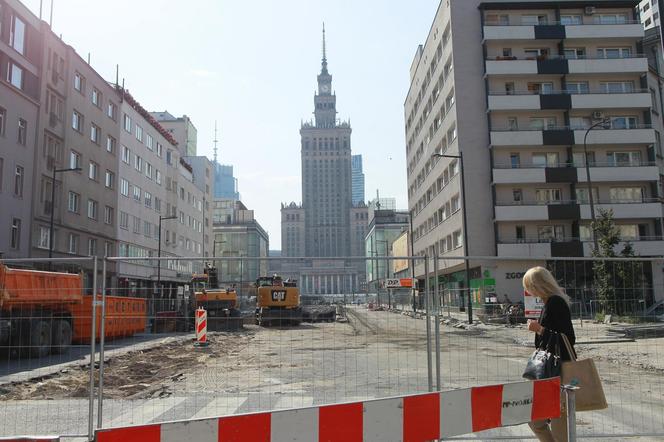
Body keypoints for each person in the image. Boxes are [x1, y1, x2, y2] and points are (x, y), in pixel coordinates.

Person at [523, 266, 576, 442]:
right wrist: (540, 330)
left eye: (528, 286)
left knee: (557, 420)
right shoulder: (548, 302)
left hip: (558, 370)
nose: (527, 290)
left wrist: (539, 329)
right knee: (536, 420)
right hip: (548, 371)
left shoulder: (555, 302)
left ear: (538, 284)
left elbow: (568, 338)